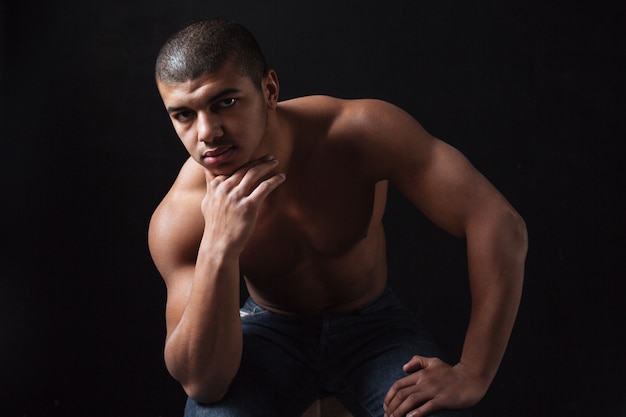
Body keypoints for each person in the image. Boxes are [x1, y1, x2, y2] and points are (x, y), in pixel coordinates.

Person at [148, 18, 527, 417]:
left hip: (375, 326)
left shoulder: (358, 134)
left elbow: (497, 222)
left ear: (269, 89)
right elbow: (204, 383)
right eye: (183, 115)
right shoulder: (182, 215)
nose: (207, 132)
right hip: (266, 331)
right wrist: (218, 247)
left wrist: (473, 372)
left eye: (225, 102)